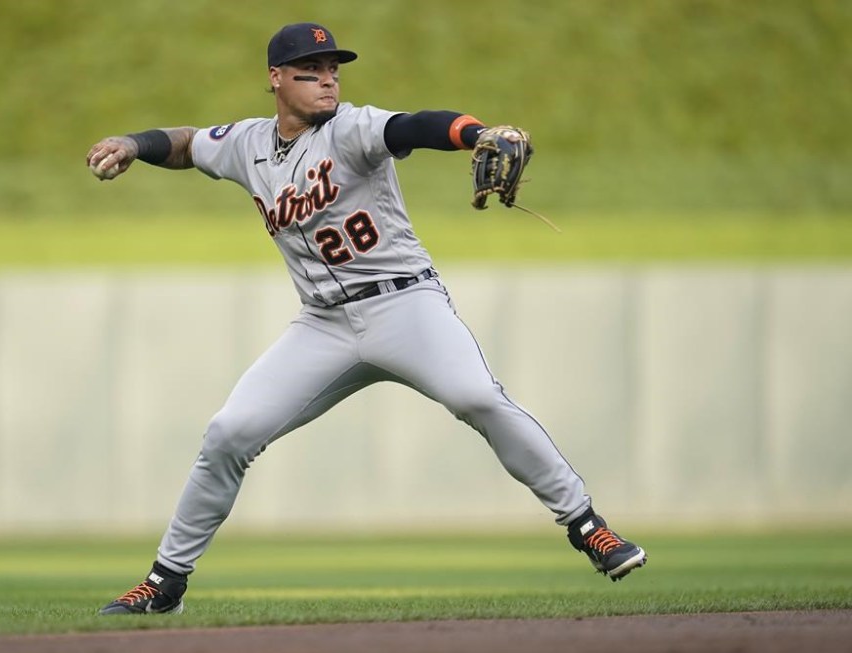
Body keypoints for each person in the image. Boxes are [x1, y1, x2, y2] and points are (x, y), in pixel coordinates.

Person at [86, 22, 646, 615]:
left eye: (333, 70)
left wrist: (477, 133)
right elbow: (187, 142)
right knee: (229, 434)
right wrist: (131, 143)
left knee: (477, 396)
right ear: (275, 79)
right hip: (323, 324)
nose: (327, 80)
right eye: (311, 70)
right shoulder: (247, 144)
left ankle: (587, 526)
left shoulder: (351, 128)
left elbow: (417, 125)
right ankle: (166, 581)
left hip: (405, 304)